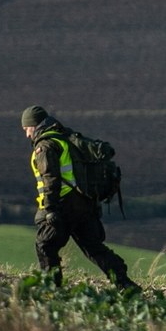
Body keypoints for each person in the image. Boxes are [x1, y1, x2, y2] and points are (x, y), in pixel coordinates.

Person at [21, 105, 139, 291]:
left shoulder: (45, 147)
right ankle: (124, 283)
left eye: (27, 129)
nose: (27, 135)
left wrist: (50, 210)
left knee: (45, 245)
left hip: (64, 204)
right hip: (84, 202)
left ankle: (52, 289)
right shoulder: (64, 138)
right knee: (93, 247)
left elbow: (50, 179)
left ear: (35, 125)